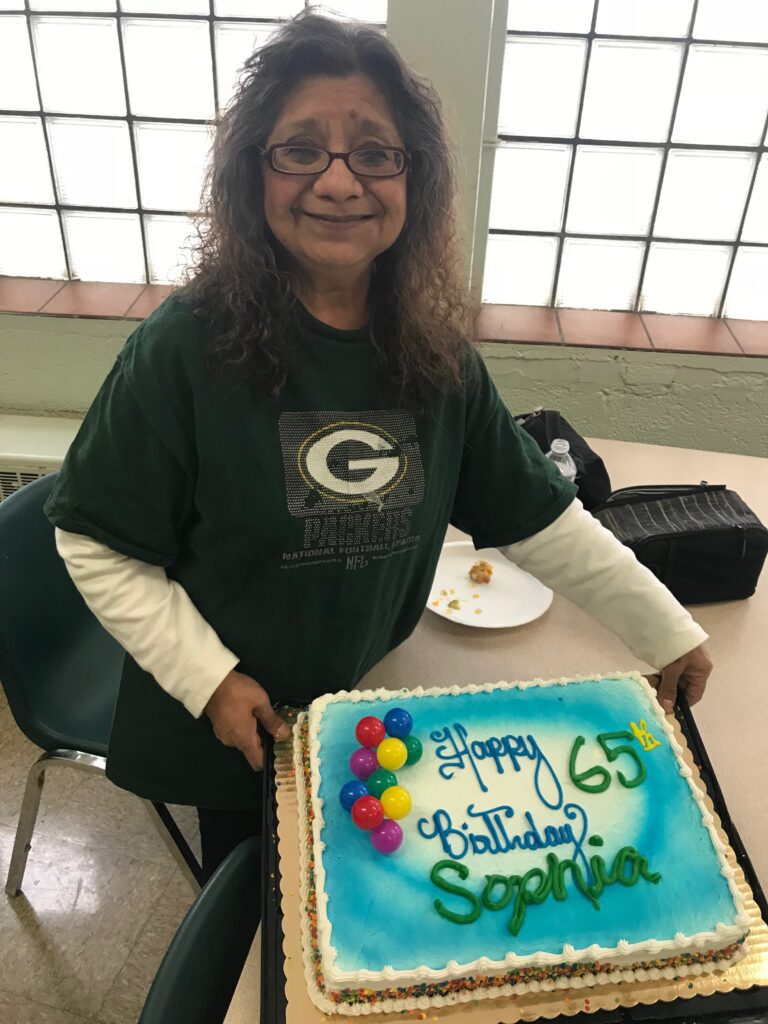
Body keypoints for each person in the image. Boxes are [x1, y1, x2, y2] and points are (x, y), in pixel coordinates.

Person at [44, 12, 711, 884]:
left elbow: (539, 520)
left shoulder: (433, 354)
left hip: (367, 692)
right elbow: (93, 541)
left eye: (373, 152)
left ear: (412, 179)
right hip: (237, 719)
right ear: (255, 172)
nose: (337, 181)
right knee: (263, 919)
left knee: (365, 904)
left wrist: (664, 628)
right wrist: (208, 680)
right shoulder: (184, 347)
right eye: (300, 149)